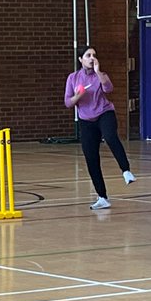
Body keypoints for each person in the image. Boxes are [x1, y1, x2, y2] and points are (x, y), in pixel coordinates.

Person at [64, 47, 135, 210]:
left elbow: (108, 88)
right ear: (80, 59)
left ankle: (126, 170)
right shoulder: (73, 78)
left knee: (110, 137)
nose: (92, 58)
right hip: (86, 120)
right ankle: (102, 197)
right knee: (91, 158)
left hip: (104, 113)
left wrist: (98, 72)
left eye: (94, 55)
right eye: (88, 55)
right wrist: (78, 96)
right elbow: (68, 102)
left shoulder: (101, 75)